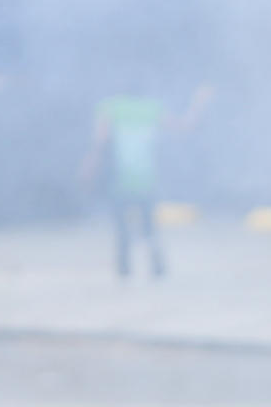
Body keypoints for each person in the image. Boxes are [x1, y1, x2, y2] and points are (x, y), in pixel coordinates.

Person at [81, 83, 212, 280]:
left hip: (119, 179)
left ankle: (125, 272)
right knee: (150, 228)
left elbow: (99, 143)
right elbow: (185, 126)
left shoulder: (110, 108)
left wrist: (89, 168)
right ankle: (156, 268)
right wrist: (199, 102)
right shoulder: (151, 110)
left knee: (123, 229)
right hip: (145, 179)